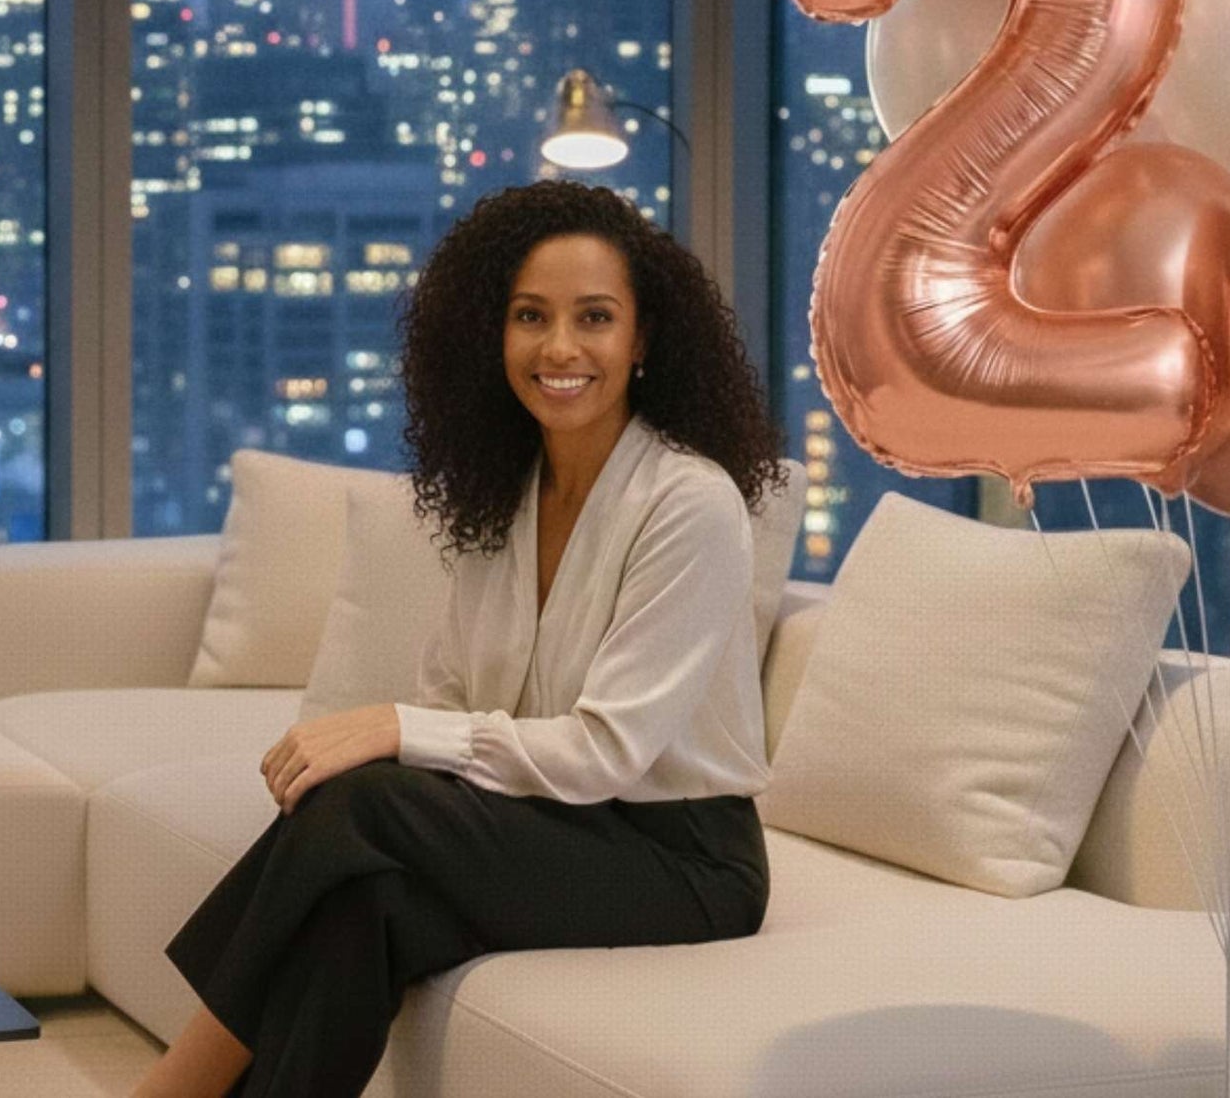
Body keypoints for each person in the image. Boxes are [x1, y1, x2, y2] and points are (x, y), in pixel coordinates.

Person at [134, 179, 789, 1098]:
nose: (560, 348)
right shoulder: (504, 492)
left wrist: (391, 735)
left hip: (683, 861)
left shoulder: (692, 504)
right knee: (364, 901)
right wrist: (400, 743)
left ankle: (170, 1088)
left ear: (642, 341)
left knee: (359, 804)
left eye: (594, 318)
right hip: (557, 824)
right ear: (496, 334)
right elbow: (454, 695)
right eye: (531, 317)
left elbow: (606, 752)